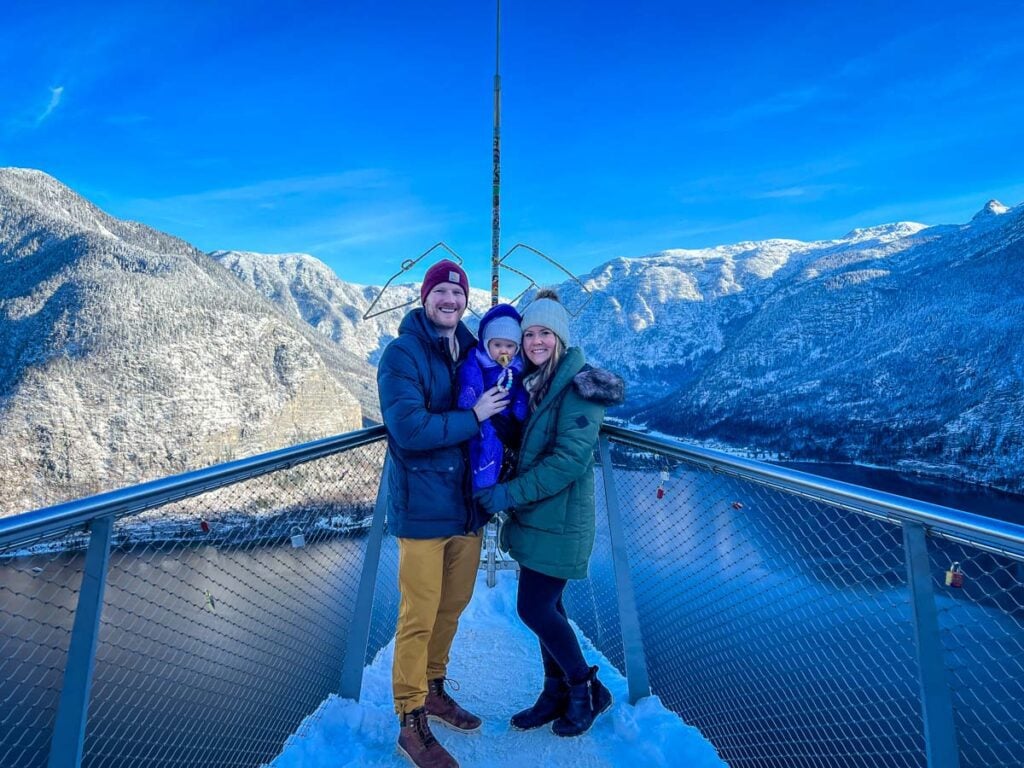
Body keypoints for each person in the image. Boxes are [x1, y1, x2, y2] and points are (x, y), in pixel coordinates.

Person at [377, 259, 510, 768]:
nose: (450, 301)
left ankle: (433, 687)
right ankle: (410, 719)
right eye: (441, 293)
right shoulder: (402, 354)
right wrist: (473, 417)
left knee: (451, 609)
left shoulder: (473, 352)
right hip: (424, 512)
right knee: (418, 616)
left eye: (458, 293)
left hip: (466, 510)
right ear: (425, 297)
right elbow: (408, 430)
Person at [475, 288, 626, 738]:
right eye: (528, 334)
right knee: (550, 607)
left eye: (544, 333)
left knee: (535, 608)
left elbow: (569, 462)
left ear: (559, 337)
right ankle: (555, 691)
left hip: (559, 520)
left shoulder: (578, 387)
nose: (535, 342)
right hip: (538, 518)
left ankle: (587, 689)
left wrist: (506, 494)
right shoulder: (538, 381)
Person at [456, 303, 530, 495]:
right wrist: (470, 392)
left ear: (517, 347)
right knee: (475, 441)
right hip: (480, 410)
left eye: (510, 346)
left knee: (493, 440)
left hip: (503, 415)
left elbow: (521, 388)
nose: (503, 351)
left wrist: (520, 404)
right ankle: (475, 479)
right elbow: (469, 373)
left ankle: (486, 476)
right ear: (487, 343)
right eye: (497, 345)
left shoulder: (518, 366)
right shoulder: (480, 358)